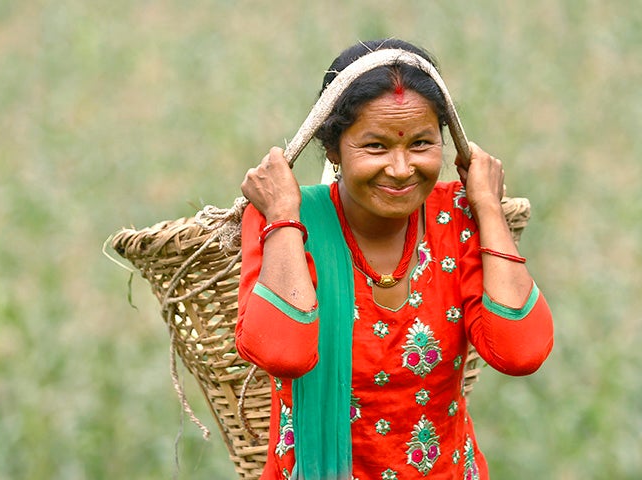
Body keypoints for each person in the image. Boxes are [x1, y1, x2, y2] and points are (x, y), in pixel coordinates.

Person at [236, 38, 553, 480]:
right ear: (333, 150)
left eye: (422, 143)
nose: (402, 169)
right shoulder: (287, 220)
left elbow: (522, 351)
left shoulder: (457, 217)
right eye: (376, 147)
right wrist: (284, 217)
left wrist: (486, 207)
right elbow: (283, 353)